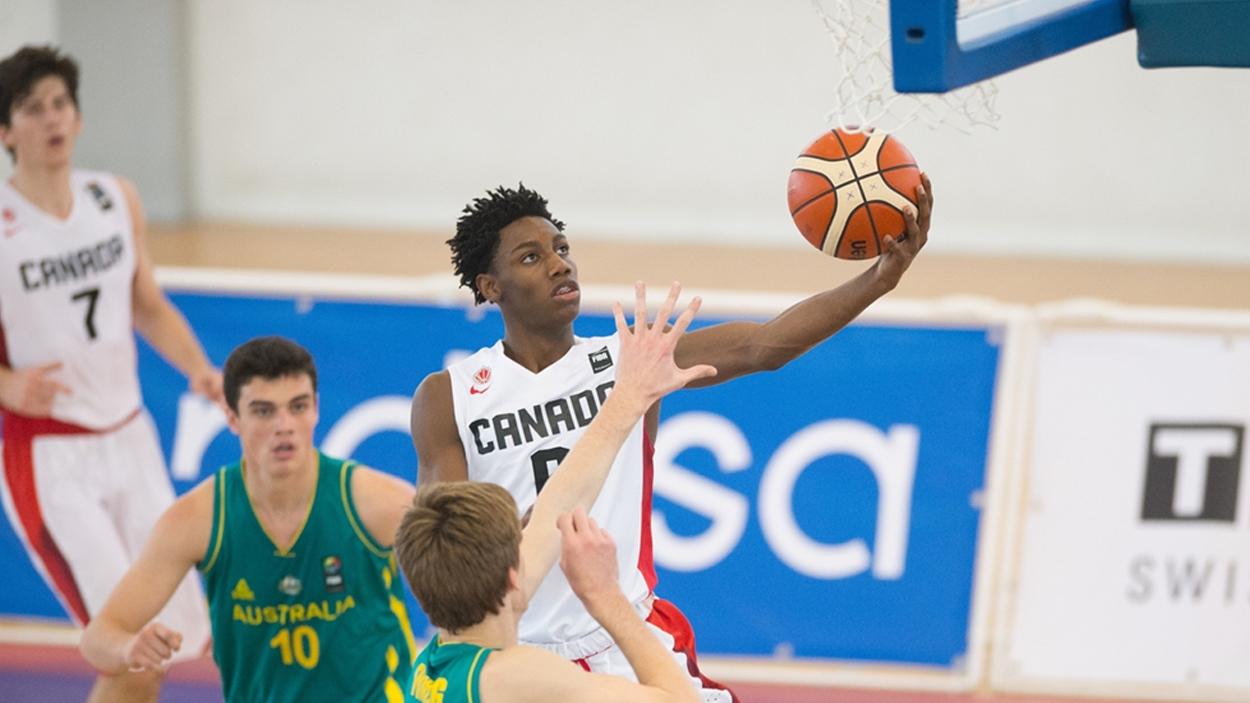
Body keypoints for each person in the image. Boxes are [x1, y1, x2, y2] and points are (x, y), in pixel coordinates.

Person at [411, 179, 933, 700]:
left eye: (562, 248)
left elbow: (761, 346)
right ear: (490, 285)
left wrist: (879, 280)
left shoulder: (633, 361)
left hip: (624, 637)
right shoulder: (449, 396)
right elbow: (447, 547)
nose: (559, 264)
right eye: (531, 257)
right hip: (518, 656)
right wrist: (533, 526)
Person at [0, 45, 220, 702]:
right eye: (33, 109)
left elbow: (146, 303)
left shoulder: (113, 198)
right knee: (128, 647)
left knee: (169, 640)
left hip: (130, 437)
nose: (52, 119)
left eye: (61, 104)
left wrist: (200, 369)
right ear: (7, 132)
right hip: (49, 453)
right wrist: (8, 384)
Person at [397, 282, 712, 702]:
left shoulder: (433, 664)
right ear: (514, 576)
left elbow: (557, 504)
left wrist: (629, 396)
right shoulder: (517, 677)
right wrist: (606, 597)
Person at [81, 336, 419, 702]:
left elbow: (471, 591)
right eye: (263, 411)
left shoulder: (378, 503)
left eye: (298, 406)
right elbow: (98, 638)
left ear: (316, 409)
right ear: (231, 416)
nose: (284, 425)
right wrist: (129, 647)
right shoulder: (199, 518)